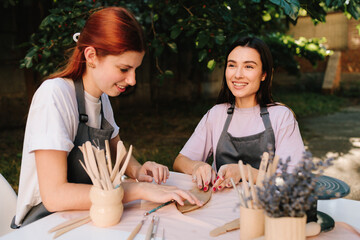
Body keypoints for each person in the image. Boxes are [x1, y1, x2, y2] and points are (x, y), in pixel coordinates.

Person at [13, 7, 202, 228]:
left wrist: (137, 170)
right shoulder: (54, 96)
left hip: (86, 214)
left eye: (135, 70)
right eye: (124, 69)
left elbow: (115, 149)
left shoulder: (101, 97)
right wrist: (136, 189)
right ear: (91, 56)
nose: (132, 80)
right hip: (43, 223)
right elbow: (55, 195)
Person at [173, 36, 305, 193]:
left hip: (264, 211)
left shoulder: (281, 117)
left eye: (249, 67)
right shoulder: (217, 114)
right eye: (232, 65)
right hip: (219, 210)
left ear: (264, 74)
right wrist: (197, 166)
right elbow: (179, 162)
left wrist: (245, 172)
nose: (237, 75)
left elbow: (294, 180)